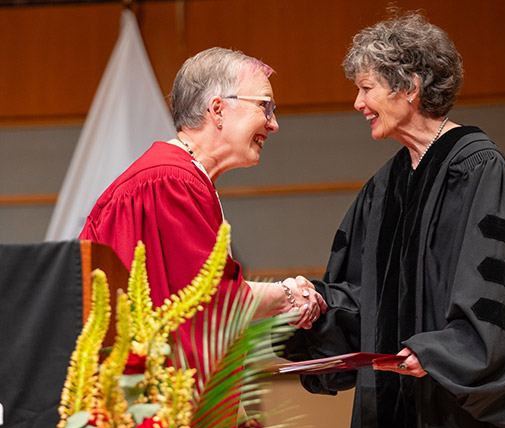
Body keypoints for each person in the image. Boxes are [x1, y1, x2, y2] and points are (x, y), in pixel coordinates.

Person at [283, 12, 505, 428]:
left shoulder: (478, 169)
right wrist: (314, 306)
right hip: (389, 415)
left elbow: (492, 299)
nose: (357, 102)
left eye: (366, 88)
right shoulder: (382, 189)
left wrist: (442, 351)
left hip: (457, 420)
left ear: (408, 85)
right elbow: (364, 297)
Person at [79, 47, 325, 376]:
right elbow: (206, 301)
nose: (274, 123)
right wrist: (288, 296)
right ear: (218, 109)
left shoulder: (180, 176)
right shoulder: (171, 181)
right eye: (265, 107)